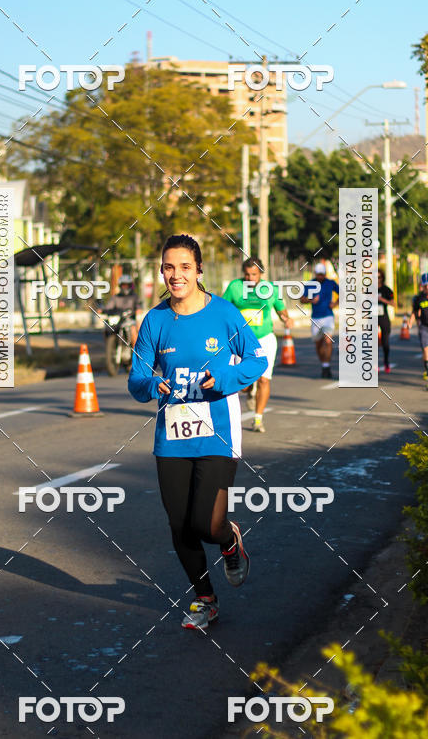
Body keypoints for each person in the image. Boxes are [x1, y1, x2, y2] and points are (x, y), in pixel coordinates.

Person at [128, 234, 268, 631]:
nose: (176, 275)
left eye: (185, 267)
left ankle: (228, 541)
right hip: (172, 436)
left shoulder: (223, 314)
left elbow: (257, 360)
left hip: (218, 433)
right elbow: (136, 379)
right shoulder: (155, 321)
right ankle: (205, 599)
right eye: (169, 267)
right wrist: (150, 384)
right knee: (179, 525)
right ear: (161, 271)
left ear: (199, 270)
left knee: (206, 524)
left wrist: (224, 377)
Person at [223, 257, 292, 433]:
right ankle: (249, 389)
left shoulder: (270, 289)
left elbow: (280, 308)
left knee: (264, 379)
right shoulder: (235, 287)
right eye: (246, 274)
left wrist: (286, 318)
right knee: (243, 383)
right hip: (241, 340)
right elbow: (223, 308)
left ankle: (258, 419)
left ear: (261, 273)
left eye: (254, 274)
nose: (250, 278)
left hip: (265, 338)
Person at [301, 262, 339, 379]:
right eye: (318, 274)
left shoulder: (330, 283)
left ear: (325, 274)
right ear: (315, 274)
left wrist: (335, 303)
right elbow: (302, 299)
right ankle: (324, 364)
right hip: (316, 318)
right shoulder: (310, 284)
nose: (320, 276)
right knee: (318, 344)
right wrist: (311, 300)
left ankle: (326, 366)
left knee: (328, 341)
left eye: (322, 274)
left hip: (328, 316)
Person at [103, 273, 140, 345]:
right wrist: (103, 310)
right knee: (107, 326)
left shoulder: (134, 297)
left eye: (127, 285)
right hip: (118, 320)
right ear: (120, 286)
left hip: (130, 320)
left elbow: (139, 307)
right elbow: (108, 307)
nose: (125, 287)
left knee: (133, 329)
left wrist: (137, 311)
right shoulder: (115, 297)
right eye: (123, 285)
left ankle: (136, 351)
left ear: (130, 285)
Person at [377, 270, 395, 374]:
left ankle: (386, 362)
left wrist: (383, 300)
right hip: (372, 318)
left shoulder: (386, 290)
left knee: (385, 342)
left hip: (384, 318)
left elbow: (394, 304)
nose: (377, 279)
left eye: (379, 277)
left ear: (382, 278)